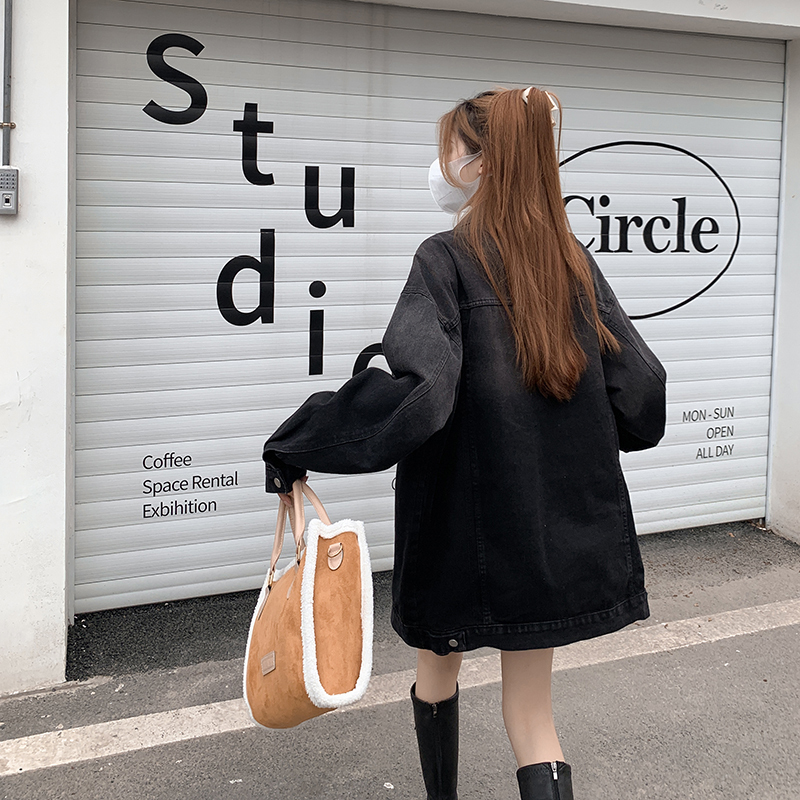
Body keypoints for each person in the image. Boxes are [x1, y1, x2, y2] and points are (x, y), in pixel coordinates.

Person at [262, 87, 667, 800]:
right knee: (532, 716)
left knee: (435, 674)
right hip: (549, 536)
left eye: (449, 147)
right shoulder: (570, 262)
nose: (440, 162)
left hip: (458, 533)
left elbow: (417, 396)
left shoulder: (445, 258)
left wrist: (300, 441)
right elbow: (643, 395)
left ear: (481, 164)